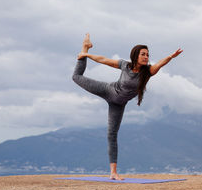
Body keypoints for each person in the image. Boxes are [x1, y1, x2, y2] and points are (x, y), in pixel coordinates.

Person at [72, 33, 183, 180]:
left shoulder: (147, 72)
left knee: (112, 134)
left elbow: (160, 64)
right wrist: (86, 55)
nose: (146, 57)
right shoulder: (125, 65)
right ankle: (85, 48)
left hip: (118, 104)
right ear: (136, 55)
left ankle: (113, 172)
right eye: (143, 54)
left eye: (148, 55)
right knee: (76, 77)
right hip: (107, 89)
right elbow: (104, 60)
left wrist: (171, 57)